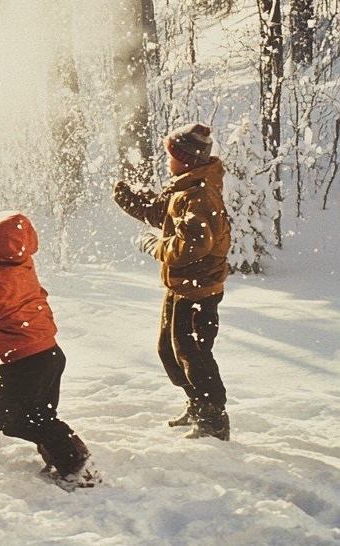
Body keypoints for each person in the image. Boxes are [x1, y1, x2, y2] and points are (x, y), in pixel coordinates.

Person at [0, 207, 99, 490]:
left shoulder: (0, 280)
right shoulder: (18, 261)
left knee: (9, 418)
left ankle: (76, 461)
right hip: (46, 354)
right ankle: (65, 457)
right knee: (39, 413)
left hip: (27, 362)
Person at [113, 122, 231, 441]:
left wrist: (157, 246)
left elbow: (194, 245)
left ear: (185, 158)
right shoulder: (185, 185)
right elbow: (163, 215)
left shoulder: (200, 194)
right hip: (181, 285)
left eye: (171, 154)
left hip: (200, 288)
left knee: (193, 352)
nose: (167, 160)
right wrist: (132, 202)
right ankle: (196, 403)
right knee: (169, 349)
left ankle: (213, 419)